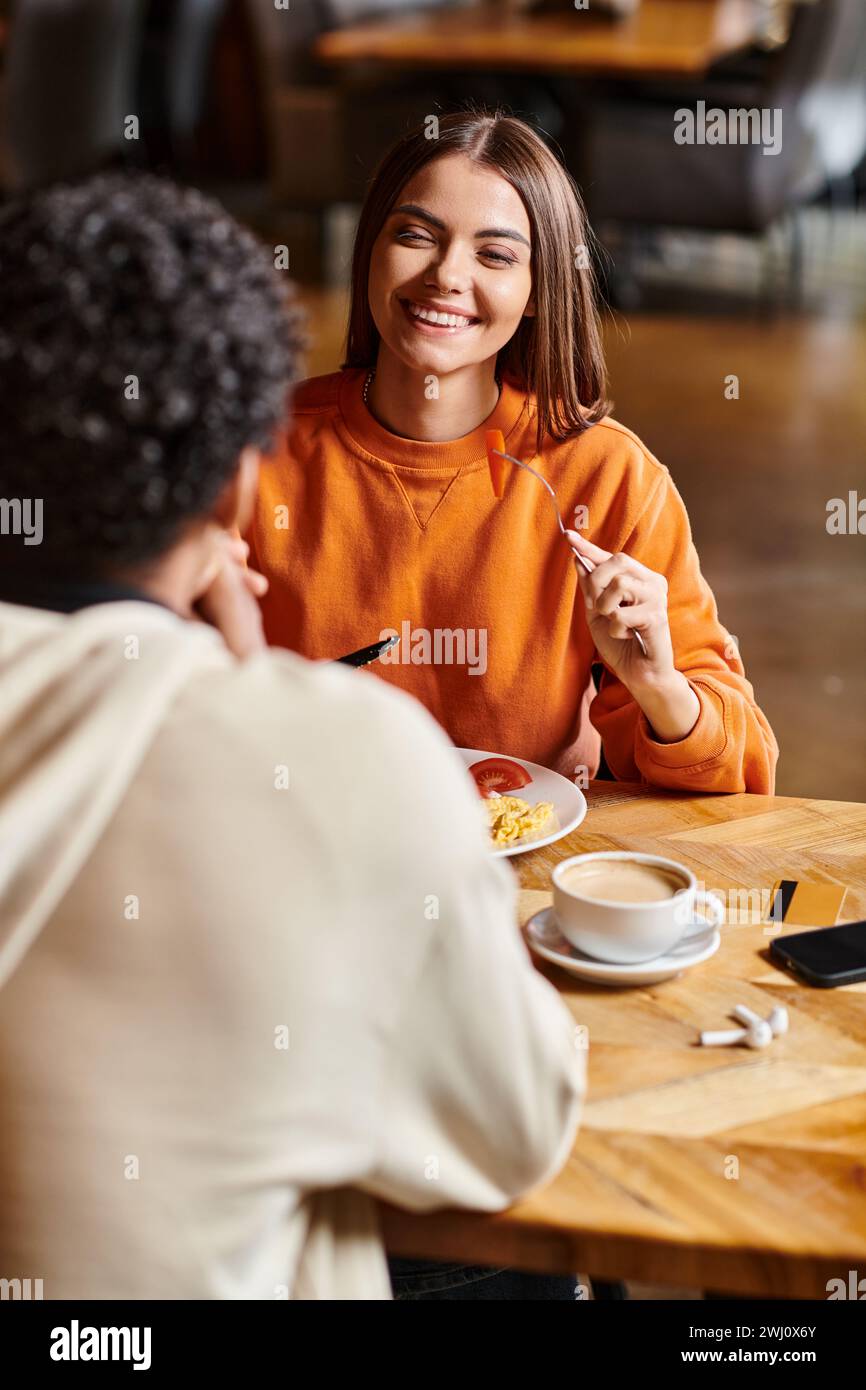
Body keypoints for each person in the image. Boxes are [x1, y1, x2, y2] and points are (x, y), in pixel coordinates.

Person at [0, 172, 585, 1300]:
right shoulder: (349, 757)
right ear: (233, 490)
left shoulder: (592, 472)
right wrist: (256, 697)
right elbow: (514, 1132)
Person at [248, 108, 779, 796]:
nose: (445, 274)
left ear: (536, 292)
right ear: (369, 250)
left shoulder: (607, 476)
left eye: (495, 255)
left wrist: (656, 684)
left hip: (527, 869)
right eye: (415, 235)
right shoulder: (257, 449)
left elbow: (745, 768)